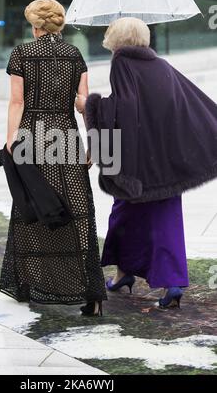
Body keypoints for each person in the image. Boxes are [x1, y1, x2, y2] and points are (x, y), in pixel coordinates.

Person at [80, 17, 217, 309]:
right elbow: (181, 103)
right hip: (165, 161)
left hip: (137, 164)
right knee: (164, 219)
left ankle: (126, 274)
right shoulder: (162, 65)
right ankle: (162, 281)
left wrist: (91, 107)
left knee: (123, 215)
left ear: (117, 40)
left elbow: (123, 109)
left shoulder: (122, 63)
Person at [0, 0, 107, 316]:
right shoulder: (75, 55)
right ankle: (89, 292)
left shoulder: (22, 53)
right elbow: (84, 102)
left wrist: (11, 139)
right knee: (75, 207)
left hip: (32, 134)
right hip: (66, 135)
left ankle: (32, 282)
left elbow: (17, 102)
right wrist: (93, 143)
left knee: (32, 204)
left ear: (35, 25)